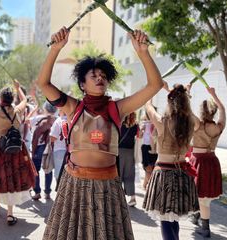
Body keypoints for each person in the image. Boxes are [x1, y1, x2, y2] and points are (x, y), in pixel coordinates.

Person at [37, 27, 163, 239]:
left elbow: (155, 85)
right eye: (93, 75)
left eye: (103, 75)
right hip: (74, 184)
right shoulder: (72, 107)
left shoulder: (117, 108)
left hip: (108, 186)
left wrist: (143, 53)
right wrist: (55, 49)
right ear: (82, 84)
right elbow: (43, 83)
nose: (99, 78)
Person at [143, 84, 199, 240]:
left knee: (166, 221)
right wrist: (183, 94)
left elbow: (148, 106)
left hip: (164, 175)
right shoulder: (191, 122)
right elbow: (196, 120)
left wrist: (158, 88)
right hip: (182, 174)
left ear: (169, 102)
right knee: (173, 219)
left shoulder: (162, 121)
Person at [0, 78, 36, 226]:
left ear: (0, 98)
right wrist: (18, 87)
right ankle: (10, 214)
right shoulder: (17, 110)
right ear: (12, 98)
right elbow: (25, 99)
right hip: (14, 149)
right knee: (10, 178)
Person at [189, 86, 225, 238]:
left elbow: (186, 110)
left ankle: (205, 228)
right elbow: (223, 109)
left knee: (202, 197)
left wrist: (188, 93)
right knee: (205, 196)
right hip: (212, 161)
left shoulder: (198, 124)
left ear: (202, 111)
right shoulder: (218, 127)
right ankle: (198, 216)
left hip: (199, 162)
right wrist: (214, 95)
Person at [118, 112, 139, 207]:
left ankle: (118, 198)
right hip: (130, 152)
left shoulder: (120, 124)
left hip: (119, 151)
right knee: (130, 175)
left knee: (119, 175)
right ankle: (133, 198)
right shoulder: (136, 126)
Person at [139, 111, 158, 189]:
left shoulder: (157, 123)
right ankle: (147, 186)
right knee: (148, 167)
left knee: (151, 168)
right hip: (147, 146)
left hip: (153, 147)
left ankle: (148, 186)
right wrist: (141, 130)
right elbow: (140, 136)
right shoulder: (145, 124)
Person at [49, 109, 67, 181]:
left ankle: (60, 191)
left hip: (59, 150)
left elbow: (53, 138)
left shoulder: (58, 121)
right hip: (71, 151)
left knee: (59, 175)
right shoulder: (73, 119)